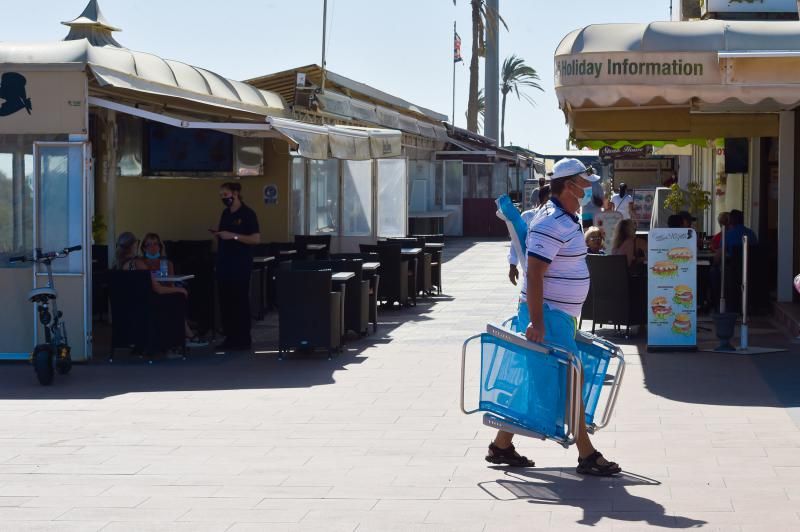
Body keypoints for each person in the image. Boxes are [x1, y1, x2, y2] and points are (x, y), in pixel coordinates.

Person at [488, 157, 621, 477]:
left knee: (544, 379)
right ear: (569, 185)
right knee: (569, 379)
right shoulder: (552, 222)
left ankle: (502, 445)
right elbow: (534, 274)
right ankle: (587, 454)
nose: (589, 188)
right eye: (584, 183)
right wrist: (536, 321)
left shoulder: (565, 216)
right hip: (549, 314)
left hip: (559, 315)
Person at [115, 232, 206, 347]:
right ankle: (184, 337)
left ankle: (183, 335)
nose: (152, 248)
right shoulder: (138, 263)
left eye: (155, 244)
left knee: (172, 300)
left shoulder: (121, 264)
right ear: (136, 245)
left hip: (131, 304)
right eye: (148, 245)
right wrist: (180, 290)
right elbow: (157, 289)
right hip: (147, 303)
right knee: (175, 300)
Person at [212, 182, 261, 351]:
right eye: (221, 195)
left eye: (225, 194)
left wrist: (232, 236)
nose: (223, 198)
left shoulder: (248, 214)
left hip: (240, 264)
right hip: (224, 263)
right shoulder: (225, 214)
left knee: (239, 301)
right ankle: (230, 337)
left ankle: (242, 338)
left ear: (236, 193)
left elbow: (255, 239)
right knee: (226, 302)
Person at [509, 186, 551, 285]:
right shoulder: (527, 216)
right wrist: (513, 265)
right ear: (545, 199)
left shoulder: (562, 218)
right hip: (531, 269)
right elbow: (516, 241)